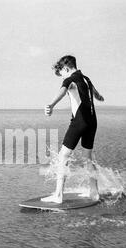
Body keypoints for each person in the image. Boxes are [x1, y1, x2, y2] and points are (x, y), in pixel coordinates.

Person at [41, 55, 104, 204]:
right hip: (92, 121)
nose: (62, 76)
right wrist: (100, 97)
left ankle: (58, 195)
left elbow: (62, 91)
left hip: (79, 121)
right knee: (88, 157)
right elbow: (96, 94)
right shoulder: (87, 79)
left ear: (66, 68)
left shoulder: (70, 79)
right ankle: (94, 192)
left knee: (63, 156)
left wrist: (51, 105)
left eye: (61, 72)